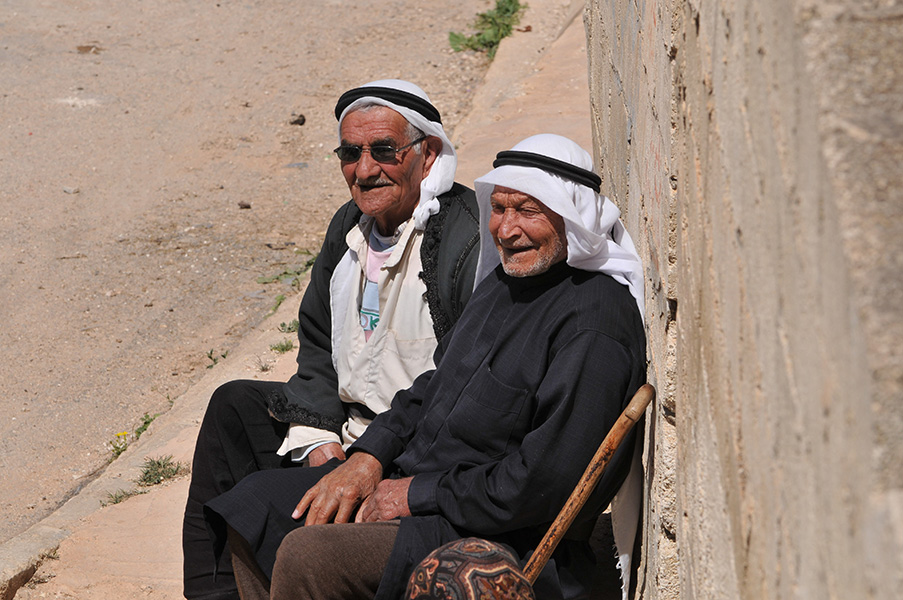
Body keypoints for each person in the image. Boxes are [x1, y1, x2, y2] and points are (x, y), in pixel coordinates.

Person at [204, 133, 647, 600]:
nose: (506, 229)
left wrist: (415, 495)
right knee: (254, 505)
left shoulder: (593, 325)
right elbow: (432, 385)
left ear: (571, 216)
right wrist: (370, 457)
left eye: (527, 211)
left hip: (493, 533)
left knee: (309, 554)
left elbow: (541, 485)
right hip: (420, 487)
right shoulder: (505, 282)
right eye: (499, 208)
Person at [182, 79, 481, 600]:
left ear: (428, 154)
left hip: (412, 447)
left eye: (384, 151)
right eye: (350, 153)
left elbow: (460, 379)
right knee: (233, 407)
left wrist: (371, 455)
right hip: (346, 426)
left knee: (257, 503)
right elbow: (318, 340)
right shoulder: (350, 225)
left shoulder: (463, 240)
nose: (364, 171)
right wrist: (318, 437)